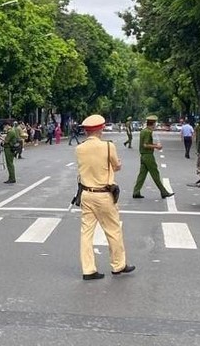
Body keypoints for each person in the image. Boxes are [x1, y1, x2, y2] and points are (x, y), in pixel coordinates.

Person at [75, 114, 135, 280]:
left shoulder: (79, 149)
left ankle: (88, 269)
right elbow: (116, 166)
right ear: (100, 129)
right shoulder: (108, 147)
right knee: (113, 230)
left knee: (86, 233)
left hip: (86, 194)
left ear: (87, 131)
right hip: (103, 194)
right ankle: (118, 265)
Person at [133, 115, 174, 199]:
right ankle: (163, 192)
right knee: (155, 174)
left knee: (142, 175)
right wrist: (156, 146)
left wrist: (155, 145)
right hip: (148, 156)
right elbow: (145, 145)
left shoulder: (143, 131)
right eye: (155, 124)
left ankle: (136, 192)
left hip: (143, 155)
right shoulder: (148, 132)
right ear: (153, 124)